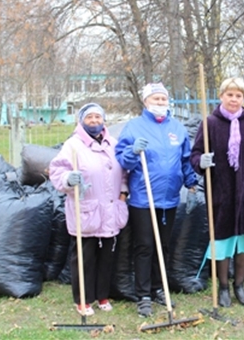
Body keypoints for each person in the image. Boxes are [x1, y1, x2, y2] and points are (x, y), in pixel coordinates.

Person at [190, 77, 244, 308]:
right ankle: (224, 287)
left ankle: (239, 285)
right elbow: (195, 154)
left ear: (243, 99)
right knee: (223, 241)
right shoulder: (210, 123)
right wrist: (202, 161)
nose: (234, 99)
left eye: (238, 95)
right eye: (230, 95)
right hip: (222, 193)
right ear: (221, 96)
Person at [115, 82, 198, 317]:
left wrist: (191, 185)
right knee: (144, 247)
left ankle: (157, 288)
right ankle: (142, 294)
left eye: (163, 99)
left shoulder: (177, 128)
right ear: (146, 102)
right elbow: (123, 161)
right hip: (143, 199)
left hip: (169, 200)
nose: (160, 103)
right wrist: (132, 152)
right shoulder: (134, 128)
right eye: (156, 99)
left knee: (163, 246)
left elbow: (185, 160)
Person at [49, 102, 129, 316]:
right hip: (87, 209)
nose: (94, 121)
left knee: (107, 257)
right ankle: (83, 300)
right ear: (81, 120)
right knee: (84, 258)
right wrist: (68, 178)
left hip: (111, 209)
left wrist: (123, 194)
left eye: (98, 117)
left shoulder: (113, 143)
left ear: (104, 120)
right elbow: (56, 171)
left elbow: (123, 172)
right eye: (89, 117)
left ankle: (102, 296)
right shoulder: (73, 145)